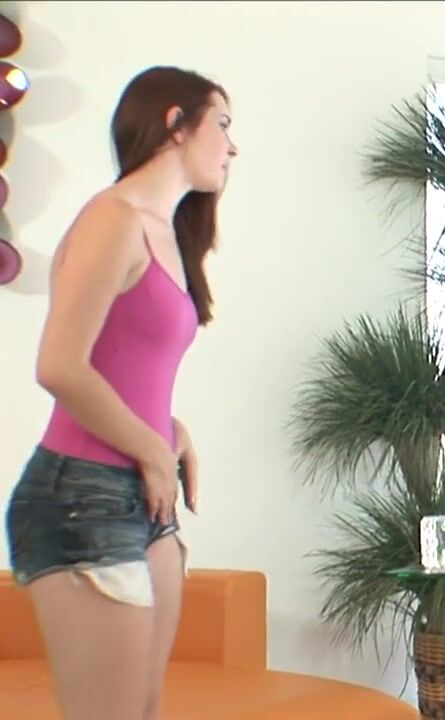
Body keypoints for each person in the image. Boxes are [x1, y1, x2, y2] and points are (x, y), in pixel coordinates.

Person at [3, 66, 237, 720]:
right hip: (81, 498)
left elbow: (125, 365)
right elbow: (59, 365)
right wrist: (151, 449)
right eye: (221, 123)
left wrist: (167, 430)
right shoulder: (113, 219)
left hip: (143, 498)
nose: (232, 145)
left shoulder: (166, 232)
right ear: (175, 124)